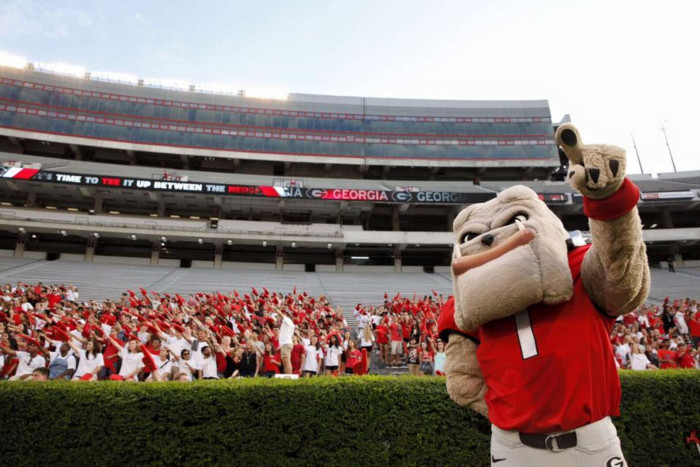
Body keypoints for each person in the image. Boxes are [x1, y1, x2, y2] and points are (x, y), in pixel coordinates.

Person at [277, 308, 295, 374]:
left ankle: (289, 377)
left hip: (286, 344)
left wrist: (276, 309)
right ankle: (288, 376)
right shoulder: (288, 322)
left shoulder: (287, 320)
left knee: (286, 361)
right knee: (285, 361)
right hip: (286, 344)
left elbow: (280, 314)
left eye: (285, 313)